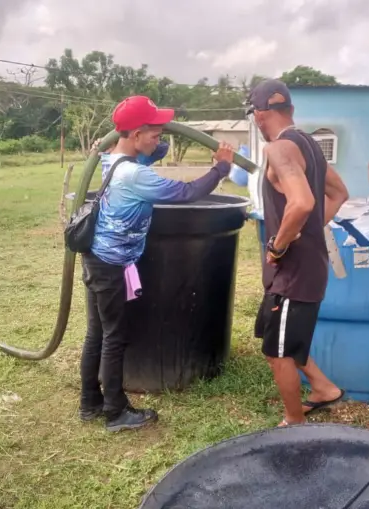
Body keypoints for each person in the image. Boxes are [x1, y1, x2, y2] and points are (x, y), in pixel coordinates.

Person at [79, 95, 235, 433]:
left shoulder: (113, 161)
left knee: (97, 334)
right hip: (112, 265)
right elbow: (186, 193)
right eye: (154, 133)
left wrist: (157, 142)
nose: (160, 140)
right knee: (114, 337)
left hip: (96, 258)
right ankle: (115, 412)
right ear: (134, 135)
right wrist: (221, 168)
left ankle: (90, 402)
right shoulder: (134, 176)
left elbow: (153, 152)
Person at [247, 79, 350, 427]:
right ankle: (323, 389)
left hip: (293, 271)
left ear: (260, 116)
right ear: (289, 109)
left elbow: (303, 202)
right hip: (301, 268)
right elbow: (338, 193)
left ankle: (294, 422)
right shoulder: (308, 144)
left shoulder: (277, 149)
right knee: (276, 336)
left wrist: (278, 246)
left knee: (277, 354)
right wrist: (303, 233)